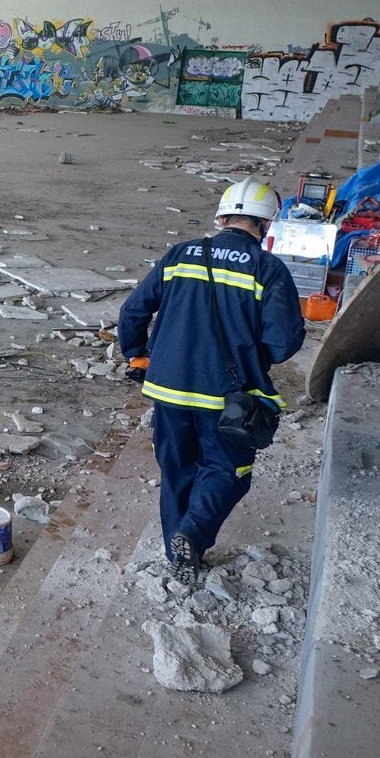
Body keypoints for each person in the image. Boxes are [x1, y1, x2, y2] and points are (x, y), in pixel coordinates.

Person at [118, 178, 305, 582]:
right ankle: (194, 534)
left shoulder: (181, 254)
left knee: (177, 469)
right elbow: (284, 341)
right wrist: (253, 359)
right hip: (228, 396)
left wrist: (138, 355)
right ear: (267, 225)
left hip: (166, 388)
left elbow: (133, 311)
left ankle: (178, 553)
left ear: (221, 217)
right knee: (227, 470)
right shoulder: (267, 268)